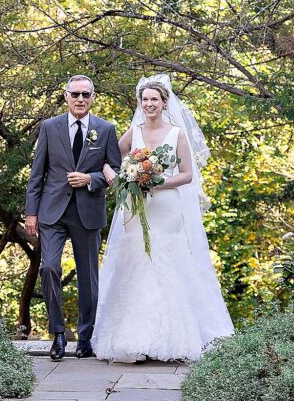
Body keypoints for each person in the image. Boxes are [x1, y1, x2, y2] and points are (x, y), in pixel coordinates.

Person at [94, 74, 234, 363]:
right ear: (140, 103)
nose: (149, 104)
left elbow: (187, 174)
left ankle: (172, 338)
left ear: (164, 102)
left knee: (166, 262)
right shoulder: (133, 132)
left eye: (154, 100)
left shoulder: (177, 134)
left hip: (167, 207)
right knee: (137, 264)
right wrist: (118, 174)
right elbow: (110, 157)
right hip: (137, 207)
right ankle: (135, 339)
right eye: (144, 100)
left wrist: (157, 182)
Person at [25, 75, 122, 361]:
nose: (80, 99)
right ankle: (57, 335)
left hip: (87, 212)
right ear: (66, 96)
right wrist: (31, 212)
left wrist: (90, 178)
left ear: (93, 98)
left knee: (88, 278)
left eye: (86, 95)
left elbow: (116, 171)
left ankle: (85, 338)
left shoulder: (105, 129)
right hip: (52, 211)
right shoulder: (49, 127)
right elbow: (37, 174)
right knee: (50, 268)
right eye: (75, 94)